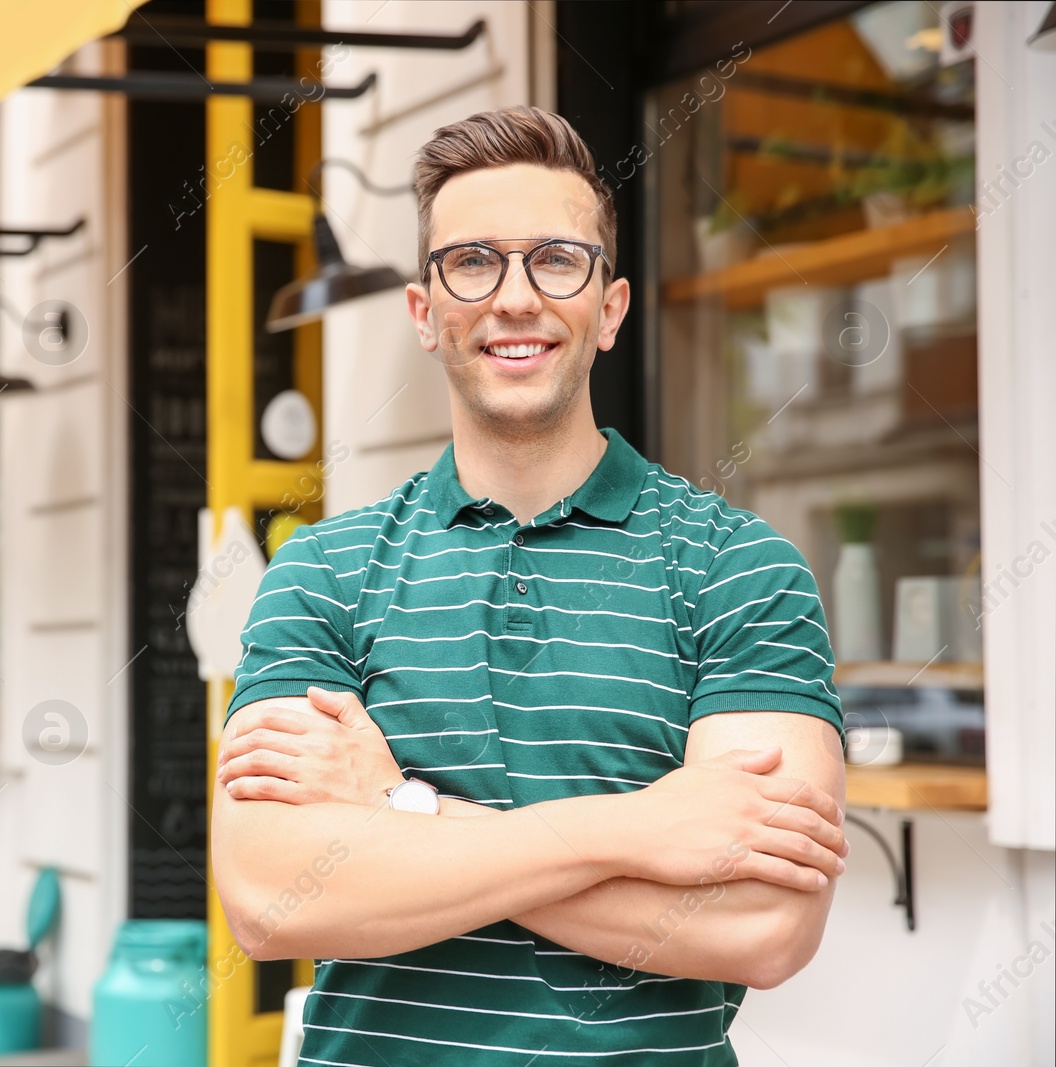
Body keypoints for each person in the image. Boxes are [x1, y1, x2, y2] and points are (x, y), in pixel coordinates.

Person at [210, 106, 847, 1065]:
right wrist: (641, 828)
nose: (516, 297)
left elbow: (762, 926)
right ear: (424, 312)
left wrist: (406, 809)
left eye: (556, 258)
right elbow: (268, 896)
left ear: (611, 307)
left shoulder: (738, 568)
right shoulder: (324, 571)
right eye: (472, 261)